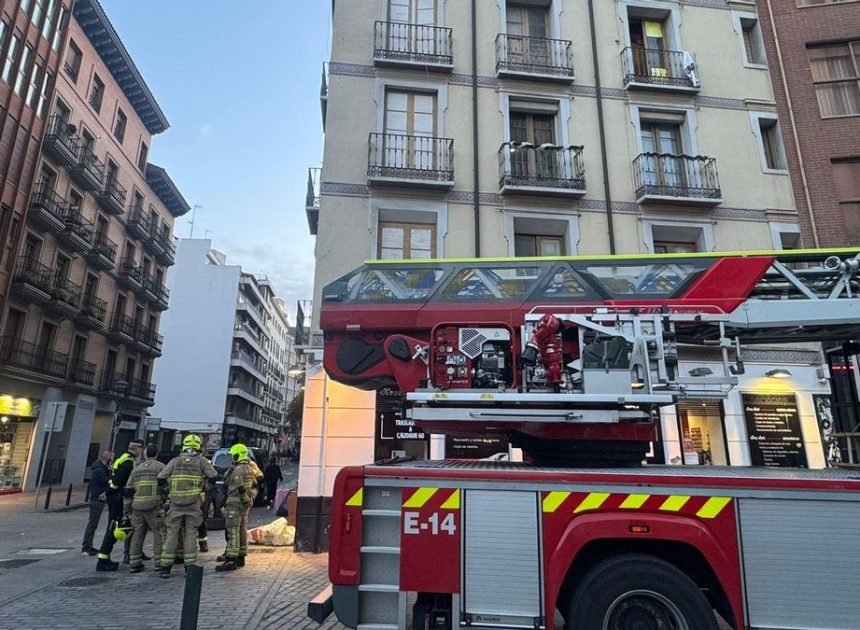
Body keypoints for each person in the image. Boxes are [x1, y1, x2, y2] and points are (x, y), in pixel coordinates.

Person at [157, 434, 218, 578]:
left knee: (172, 534)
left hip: (176, 504)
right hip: (193, 504)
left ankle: (166, 567)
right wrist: (206, 487)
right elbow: (214, 476)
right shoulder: (201, 461)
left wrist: (167, 490)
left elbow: (161, 477)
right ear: (199, 447)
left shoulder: (175, 461)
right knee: (191, 534)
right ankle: (189, 566)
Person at [96, 439, 144, 571]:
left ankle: (105, 557)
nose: (141, 452)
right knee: (114, 528)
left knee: (114, 527)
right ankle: (102, 560)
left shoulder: (123, 458)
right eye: (140, 449)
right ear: (136, 448)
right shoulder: (128, 463)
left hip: (114, 497)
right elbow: (118, 482)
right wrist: (108, 492)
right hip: (118, 498)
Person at [216, 444, 258, 572]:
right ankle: (241, 556)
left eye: (232, 456)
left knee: (232, 531)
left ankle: (231, 559)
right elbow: (256, 486)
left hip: (235, 505)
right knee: (242, 530)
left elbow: (236, 486)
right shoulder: (250, 469)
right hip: (244, 506)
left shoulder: (237, 470)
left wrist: (245, 500)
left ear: (237, 455)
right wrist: (251, 499)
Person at [124, 444, 166, 573]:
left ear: (145, 454)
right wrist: (164, 498)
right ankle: (159, 563)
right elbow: (166, 486)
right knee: (159, 533)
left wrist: (126, 510)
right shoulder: (161, 467)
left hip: (137, 506)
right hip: (154, 506)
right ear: (156, 454)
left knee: (137, 534)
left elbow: (129, 490)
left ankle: (134, 563)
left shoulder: (137, 468)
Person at [81, 450, 112, 556]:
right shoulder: (100, 470)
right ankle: (86, 546)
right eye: (112, 458)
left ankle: (88, 545)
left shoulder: (99, 468)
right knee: (93, 523)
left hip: (98, 498)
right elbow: (107, 481)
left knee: (93, 523)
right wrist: (111, 472)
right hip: (97, 499)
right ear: (108, 459)